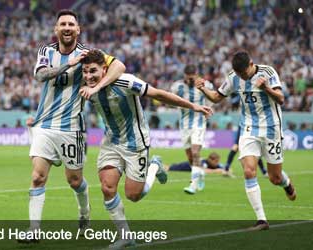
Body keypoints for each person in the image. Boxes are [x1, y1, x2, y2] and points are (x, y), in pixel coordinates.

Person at [80, 49, 213, 249]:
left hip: (136, 143)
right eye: (85, 72)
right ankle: (125, 236)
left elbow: (159, 94)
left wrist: (193, 106)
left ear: (105, 69)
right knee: (107, 187)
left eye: (93, 71)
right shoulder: (85, 88)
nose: (89, 76)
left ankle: (154, 167)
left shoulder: (125, 82)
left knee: (134, 195)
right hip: (111, 141)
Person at [22, 9, 126, 242]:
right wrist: (69, 64)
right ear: (56, 29)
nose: (67, 27)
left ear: (78, 29)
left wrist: (96, 87)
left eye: (71, 24)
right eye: (63, 24)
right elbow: (40, 76)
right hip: (44, 125)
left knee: (74, 181)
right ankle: (34, 230)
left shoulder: (88, 54)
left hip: (72, 128)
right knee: (38, 176)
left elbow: (119, 66)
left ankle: (84, 213)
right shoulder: (46, 51)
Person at [196, 51, 296, 230]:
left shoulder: (268, 72)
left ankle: (286, 183)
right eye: (239, 74)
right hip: (249, 128)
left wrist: (266, 88)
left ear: (251, 64)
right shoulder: (234, 77)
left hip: (272, 129)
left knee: (275, 177)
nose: (242, 76)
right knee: (249, 171)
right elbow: (217, 97)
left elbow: (281, 99)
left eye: (244, 73)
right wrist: (203, 88)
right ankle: (261, 220)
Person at [170, 65, 214, 195]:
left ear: (196, 74)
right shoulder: (177, 86)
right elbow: (171, 100)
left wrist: (208, 110)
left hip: (199, 122)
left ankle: (193, 185)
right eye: (188, 78)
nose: (190, 81)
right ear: (184, 75)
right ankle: (200, 173)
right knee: (190, 157)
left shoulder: (206, 85)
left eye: (192, 78)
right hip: (184, 124)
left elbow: (211, 99)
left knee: (195, 152)